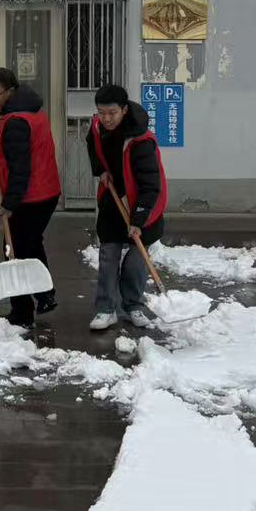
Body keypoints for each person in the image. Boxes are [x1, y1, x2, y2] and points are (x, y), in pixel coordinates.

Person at [0, 66, 61, 329]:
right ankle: (45, 294)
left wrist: (9, 203)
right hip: (46, 191)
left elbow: (20, 168)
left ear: (10, 90)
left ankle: (22, 313)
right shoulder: (30, 110)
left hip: (30, 197)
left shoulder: (15, 121)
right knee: (30, 243)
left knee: (13, 252)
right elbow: (24, 146)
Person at [86, 84, 167, 331]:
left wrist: (137, 220)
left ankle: (133, 306)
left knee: (136, 260)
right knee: (108, 255)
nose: (106, 119)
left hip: (143, 206)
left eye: (112, 113)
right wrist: (100, 170)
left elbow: (150, 186)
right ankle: (106, 309)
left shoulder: (141, 141)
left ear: (123, 110)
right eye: (101, 112)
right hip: (113, 200)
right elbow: (92, 144)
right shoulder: (97, 127)